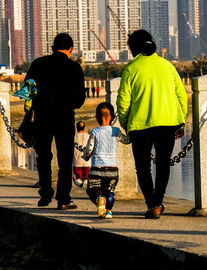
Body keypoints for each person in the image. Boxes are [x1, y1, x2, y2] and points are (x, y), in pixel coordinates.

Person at [117, 30, 188, 219]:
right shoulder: (167, 66)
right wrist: (181, 122)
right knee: (163, 163)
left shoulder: (131, 69)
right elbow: (181, 96)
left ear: (133, 48)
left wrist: (126, 124)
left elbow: (123, 102)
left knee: (142, 166)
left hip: (140, 126)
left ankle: (152, 204)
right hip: (168, 123)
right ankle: (159, 200)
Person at [24, 33, 86, 210]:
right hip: (64, 119)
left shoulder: (38, 64)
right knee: (65, 160)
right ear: (71, 49)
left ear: (52, 48)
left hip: (42, 118)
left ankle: (45, 193)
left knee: (43, 157)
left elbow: (26, 91)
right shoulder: (74, 68)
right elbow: (80, 100)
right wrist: (67, 103)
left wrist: (38, 102)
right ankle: (63, 198)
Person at [81, 102, 130, 219]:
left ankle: (99, 199)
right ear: (113, 118)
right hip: (113, 170)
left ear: (97, 118)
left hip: (97, 169)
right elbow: (127, 140)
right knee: (110, 192)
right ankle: (108, 211)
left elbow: (89, 149)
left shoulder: (94, 132)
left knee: (92, 189)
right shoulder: (116, 131)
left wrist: (85, 157)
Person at [73, 121, 91, 188]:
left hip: (77, 162)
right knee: (87, 177)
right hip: (87, 162)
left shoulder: (74, 136)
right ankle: (85, 183)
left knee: (76, 178)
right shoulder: (89, 136)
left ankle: (81, 185)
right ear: (84, 127)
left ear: (76, 127)